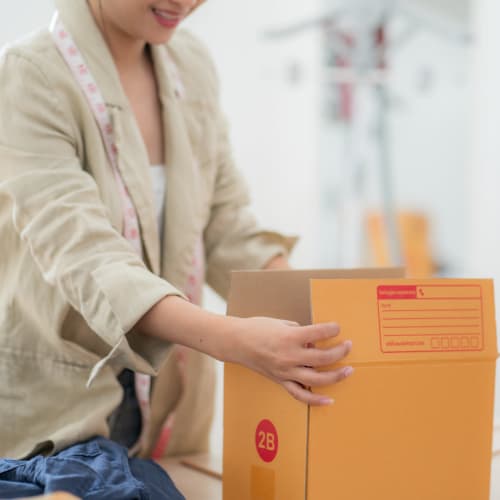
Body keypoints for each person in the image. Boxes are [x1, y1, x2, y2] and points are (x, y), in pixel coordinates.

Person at [0, 0, 354, 497]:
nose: (184, 3)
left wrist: (327, 318)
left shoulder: (191, 66)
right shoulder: (30, 76)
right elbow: (86, 256)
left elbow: (225, 225)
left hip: (168, 407)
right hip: (57, 412)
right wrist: (233, 339)